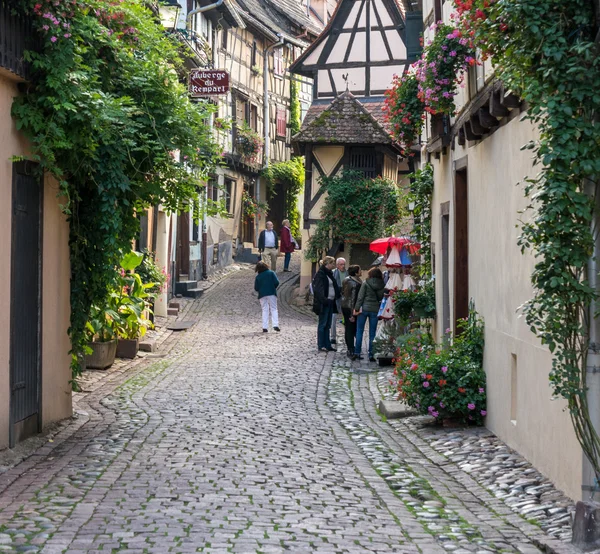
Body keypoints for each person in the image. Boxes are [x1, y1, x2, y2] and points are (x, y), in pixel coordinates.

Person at [353, 267, 385, 362]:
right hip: (375, 309)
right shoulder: (382, 284)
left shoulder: (365, 283)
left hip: (364, 309)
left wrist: (357, 308)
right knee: (372, 333)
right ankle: (371, 354)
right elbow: (380, 297)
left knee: (359, 331)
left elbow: (360, 297)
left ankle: (357, 352)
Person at [312, 256, 341, 352]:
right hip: (324, 303)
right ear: (327, 264)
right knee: (323, 324)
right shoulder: (320, 274)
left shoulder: (329, 274)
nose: (333, 265)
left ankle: (327, 344)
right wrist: (324, 300)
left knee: (328, 324)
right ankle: (321, 344)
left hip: (330, 302)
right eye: (332, 263)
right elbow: (318, 290)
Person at [341, 265, 362, 358]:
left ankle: (351, 348)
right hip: (351, 307)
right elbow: (353, 298)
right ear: (356, 272)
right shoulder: (354, 283)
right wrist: (352, 313)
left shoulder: (346, 279)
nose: (361, 271)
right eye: (360, 270)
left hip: (345, 305)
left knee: (349, 328)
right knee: (350, 328)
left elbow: (343, 293)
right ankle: (351, 349)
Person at [254, 261, 280, 332]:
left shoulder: (258, 277)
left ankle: (264, 327)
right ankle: (275, 325)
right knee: (274, 308)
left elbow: (256, 288)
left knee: (265, 309)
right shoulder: (271, 273)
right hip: (271, 293)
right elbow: (277, 282)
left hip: (262, 294)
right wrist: (273, 287)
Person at [330, 258, 348, 344]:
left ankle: (347, 336)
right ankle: (333, 337)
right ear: (337, 265)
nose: (343, 266)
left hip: (345, 297)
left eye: (344, 264)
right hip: (335, 297)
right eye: (341, 264)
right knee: (333, 317)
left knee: (347, 317)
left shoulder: (347, 273)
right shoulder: (333, 272)